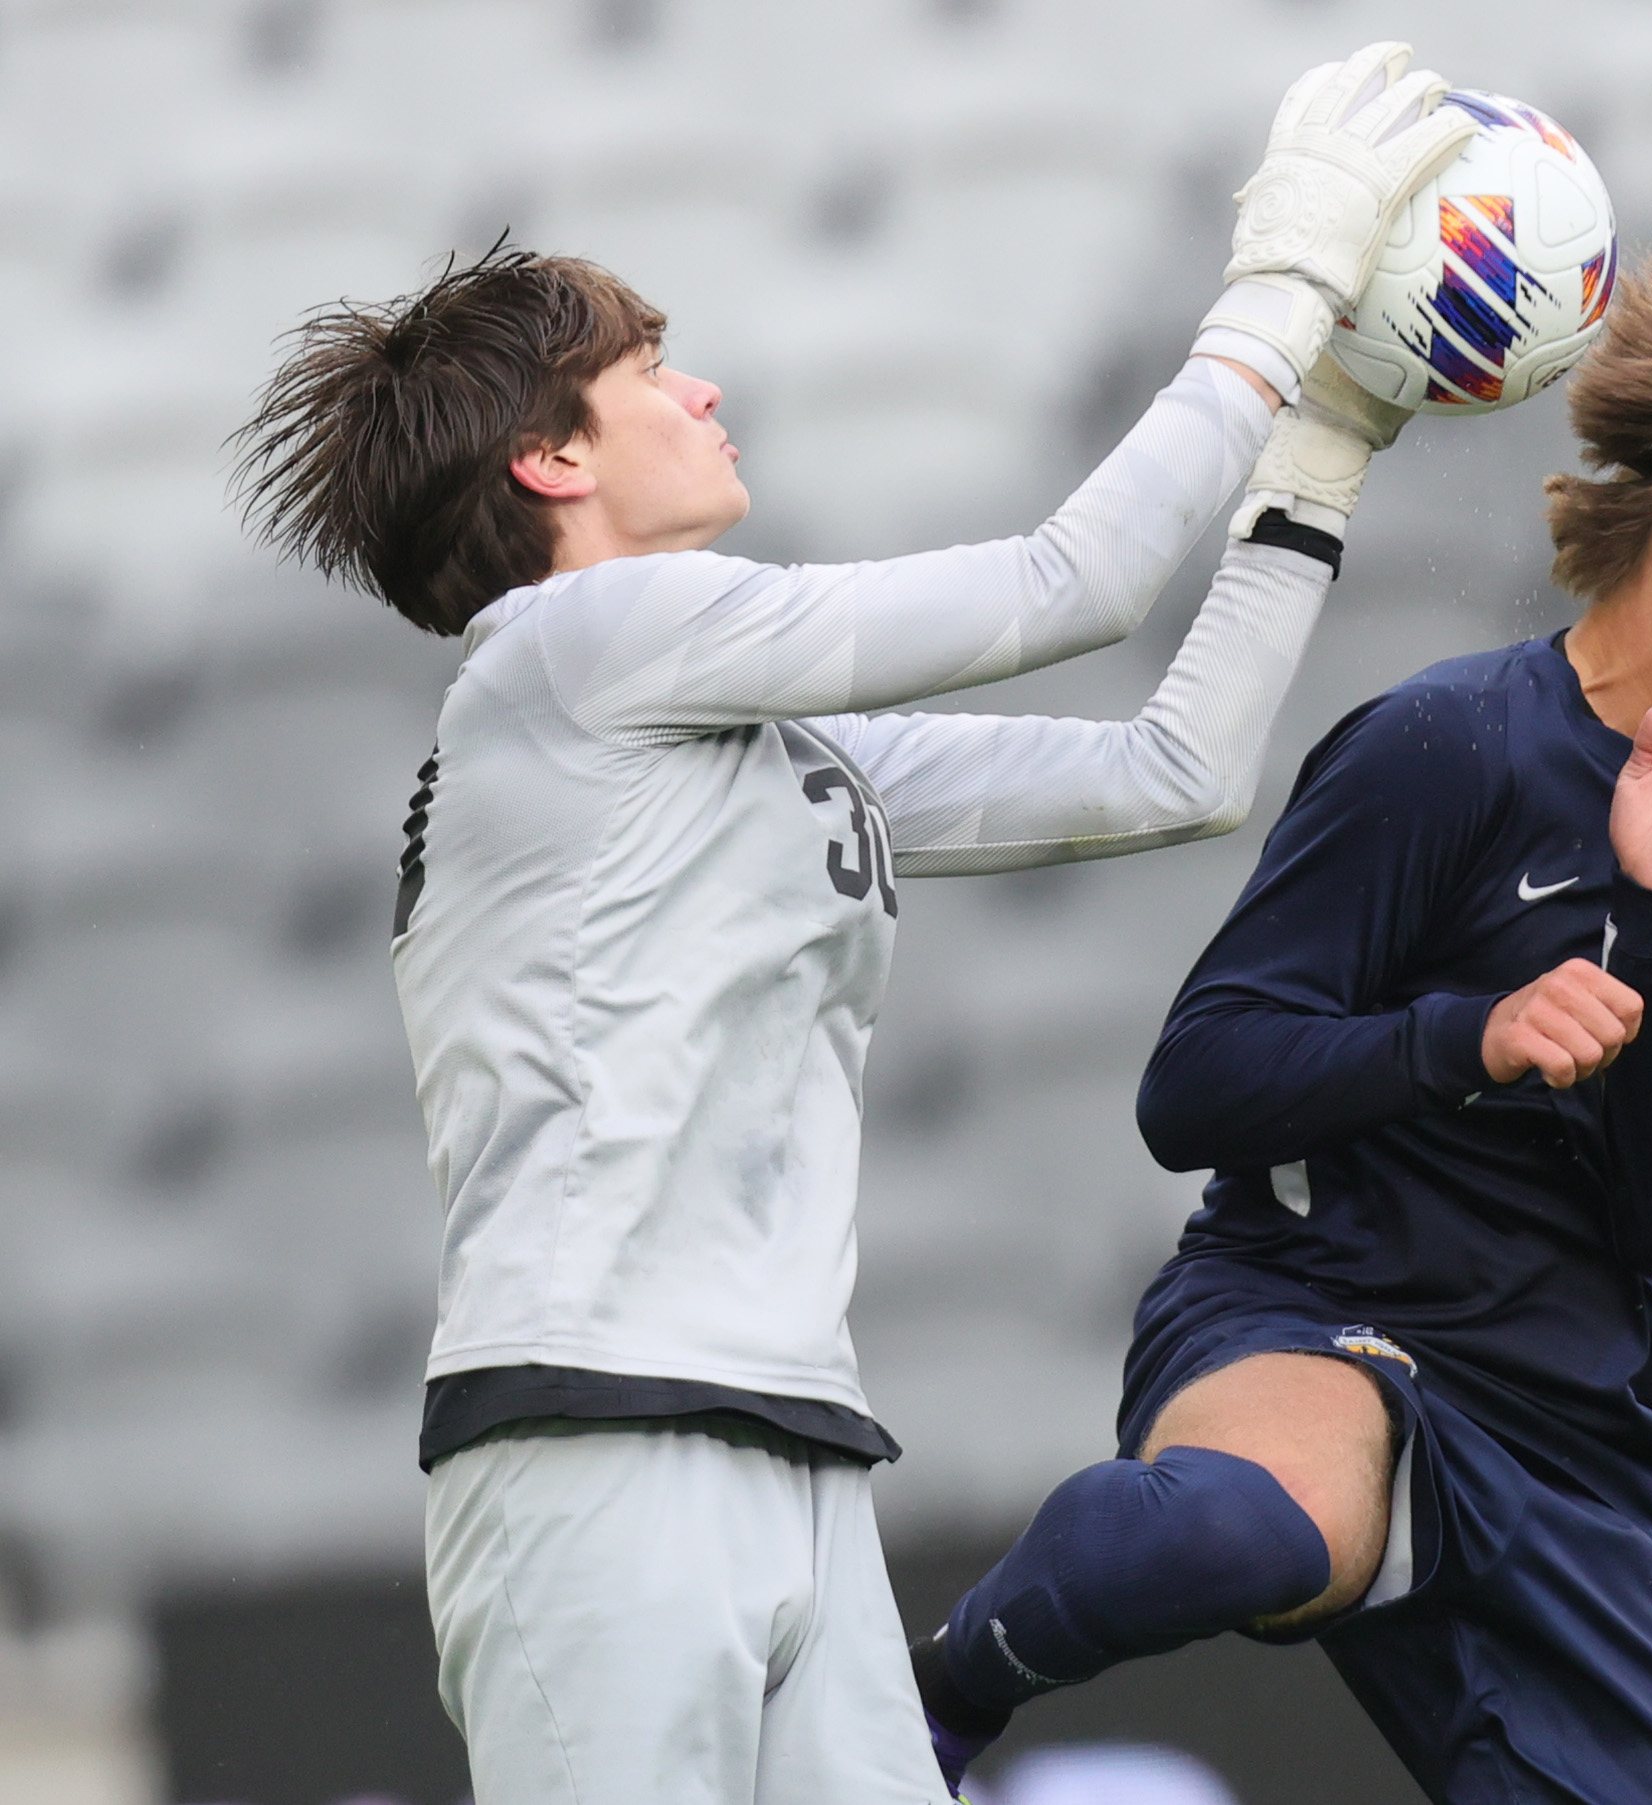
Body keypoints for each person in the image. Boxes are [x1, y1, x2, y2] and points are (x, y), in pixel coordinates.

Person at [231, 43, 1472, 1805]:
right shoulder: (584, 652)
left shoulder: (720, 736)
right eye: (652, 367)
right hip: (598, 1452)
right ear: (552, 456)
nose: (705, 387)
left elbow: (1167, 771)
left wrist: (1319, 465)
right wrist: (1282, 287)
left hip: (789, 1450)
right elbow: (1078, 585)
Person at [911, 195, 1652, 1802]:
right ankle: (924, 1707)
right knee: (1234, 1527)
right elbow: (1197, 1084)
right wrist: (1469, 1035)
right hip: (1317, 1315)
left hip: (1570, 1437)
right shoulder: (1447, 746)